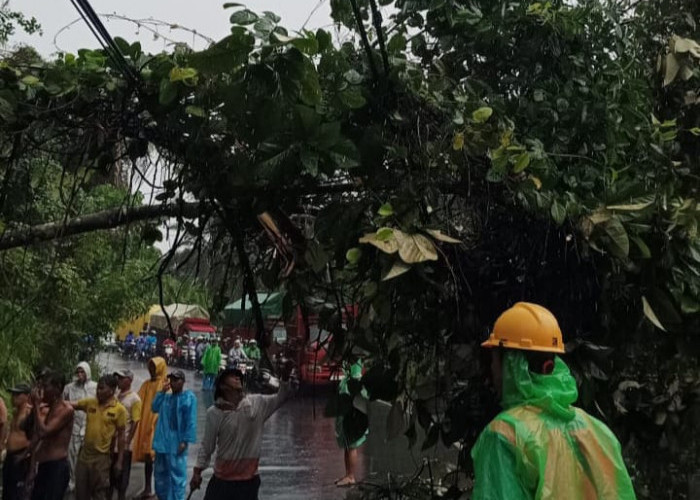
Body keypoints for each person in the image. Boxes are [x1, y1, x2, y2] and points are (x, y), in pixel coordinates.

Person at [471, 302, 636, 499]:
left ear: (512, 363)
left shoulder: (505, 435)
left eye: (494, 360)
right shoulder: (597, 431)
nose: (492, 369)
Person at [191, 364, 297, 500]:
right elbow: (207, 447)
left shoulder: (257, 404)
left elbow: (282, 397)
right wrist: (197, 472)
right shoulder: (215, 412)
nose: (237, 377)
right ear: (223, 386)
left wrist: (285, 378)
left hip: (248, 482)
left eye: (238, 376)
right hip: (222, 482)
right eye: (231, 376)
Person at [69, 375, 126, 500]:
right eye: (97, 389)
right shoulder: (90, 402)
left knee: (99, 494)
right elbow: (71, 405)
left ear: (112, 390)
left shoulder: (119, 410)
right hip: (84, 457)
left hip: (102, 459)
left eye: (101, 388)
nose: (98, 391)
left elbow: (122, 436)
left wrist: (119, 461)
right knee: (80, 493)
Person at [151, 370, 197, 500]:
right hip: (162, 443)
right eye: (171, 380)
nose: (173, 383)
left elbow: (191, 421)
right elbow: (154, 407)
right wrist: (161, 392)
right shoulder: (166, 397)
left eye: (176, 380)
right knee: (160, 474)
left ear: (183, 381)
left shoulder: (188, 398)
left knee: (177, 475)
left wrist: (185, 440)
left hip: (177, 442)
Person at [30, 371, 74, 500]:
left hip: (57, 467)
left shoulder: (66, 409)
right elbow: (37, 436)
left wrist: (37, 406)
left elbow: (44, 432)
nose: (41, 391)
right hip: (44, 465)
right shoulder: (49, 408)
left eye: (45, 387)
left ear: (58, 388)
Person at [133, 356, 167, 500]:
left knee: (156, 457)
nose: (152, 370)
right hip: (146, 423)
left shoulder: (165, 385)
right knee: (148, 457)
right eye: (150, 367)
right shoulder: (146, 384)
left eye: (155, 367)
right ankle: (148, 488)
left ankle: (160, 491)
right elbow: (138, 400)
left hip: (158, 425)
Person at [64, 361, 97, 491]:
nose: (80, 374)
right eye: (78, 371)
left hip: (89, 426)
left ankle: (87, 482)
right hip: (74, 425)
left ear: (87, 372)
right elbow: (63, 403)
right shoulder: (69, 388)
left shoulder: (95, 387)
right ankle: (72, 481)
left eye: (82, 371)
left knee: (87, 457)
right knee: (71, 455)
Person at [334, 359, 368, 487]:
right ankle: (347, 474)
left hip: (351, 396)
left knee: (352, 443)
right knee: (347, 442)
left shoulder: (355, 356)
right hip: (348, 393)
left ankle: (351, 475)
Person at [109, 370, 142, 500]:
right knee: (110, 481)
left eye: (122, 378)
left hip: (124, 446)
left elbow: (135, 421)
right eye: (119, 378)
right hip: (112, 444)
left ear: (129, 380)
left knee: (122, 482)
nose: (119, 380)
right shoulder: (116, 396)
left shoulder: (134, 399)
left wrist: (128, 441)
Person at [2, 384, 31, 500]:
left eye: (17, 394)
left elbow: (36, 439)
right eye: (13, 394)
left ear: (26, 396)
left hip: (21, 457)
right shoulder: (15, 412)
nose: (13, 397)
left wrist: (25, 455)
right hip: (10, 456)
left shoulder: (30, 413)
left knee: (18, 493)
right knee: (7, 491)